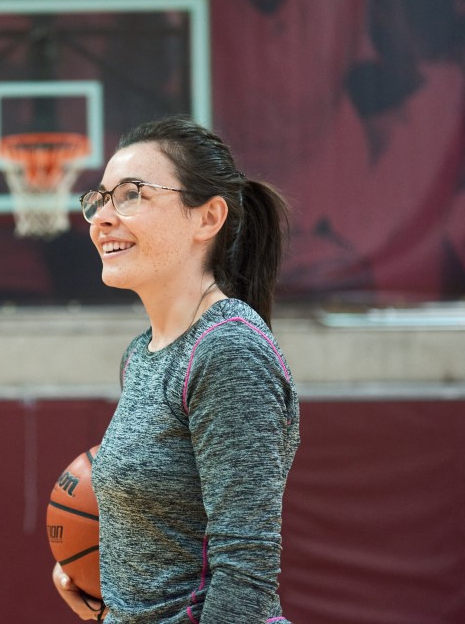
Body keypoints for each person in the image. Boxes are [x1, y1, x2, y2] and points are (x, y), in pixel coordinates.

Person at [52, 115, 300, 623]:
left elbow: (245, 569)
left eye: (132, 195)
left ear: (207, 218)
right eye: (99, 199)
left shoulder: (229, 350)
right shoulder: (142, 353)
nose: (101, 216)